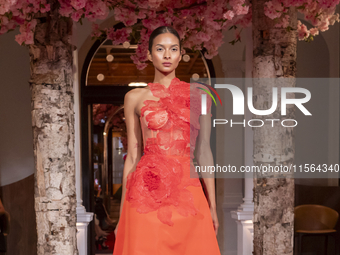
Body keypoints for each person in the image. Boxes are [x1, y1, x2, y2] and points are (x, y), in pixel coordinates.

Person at [113, 25, 221, 255]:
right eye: (160, 49)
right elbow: (132, 156)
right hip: (146, 191)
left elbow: (204, 152)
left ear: (181, 55)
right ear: (149, 55)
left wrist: (213, 206)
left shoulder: (201, 96)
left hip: (188, 189)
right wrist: (122, 212)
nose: (167, 55)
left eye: (173, 49)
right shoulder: (134, 97)